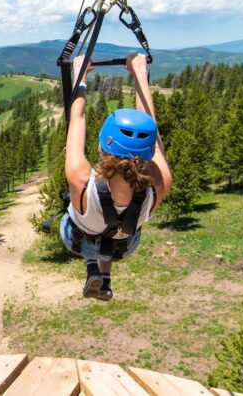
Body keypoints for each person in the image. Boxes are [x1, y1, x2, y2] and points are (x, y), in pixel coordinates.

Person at [60, 53, 172, 301]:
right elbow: (152, 135)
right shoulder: (160, 183)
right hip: (124, 245)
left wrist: (81, 76)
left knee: (85, 222)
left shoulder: (80, 176)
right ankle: (105, 278)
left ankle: (92, 267)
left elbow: (76, 119)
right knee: (112, 228)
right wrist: (141, 75)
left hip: (77, 239)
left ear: (103, 147)